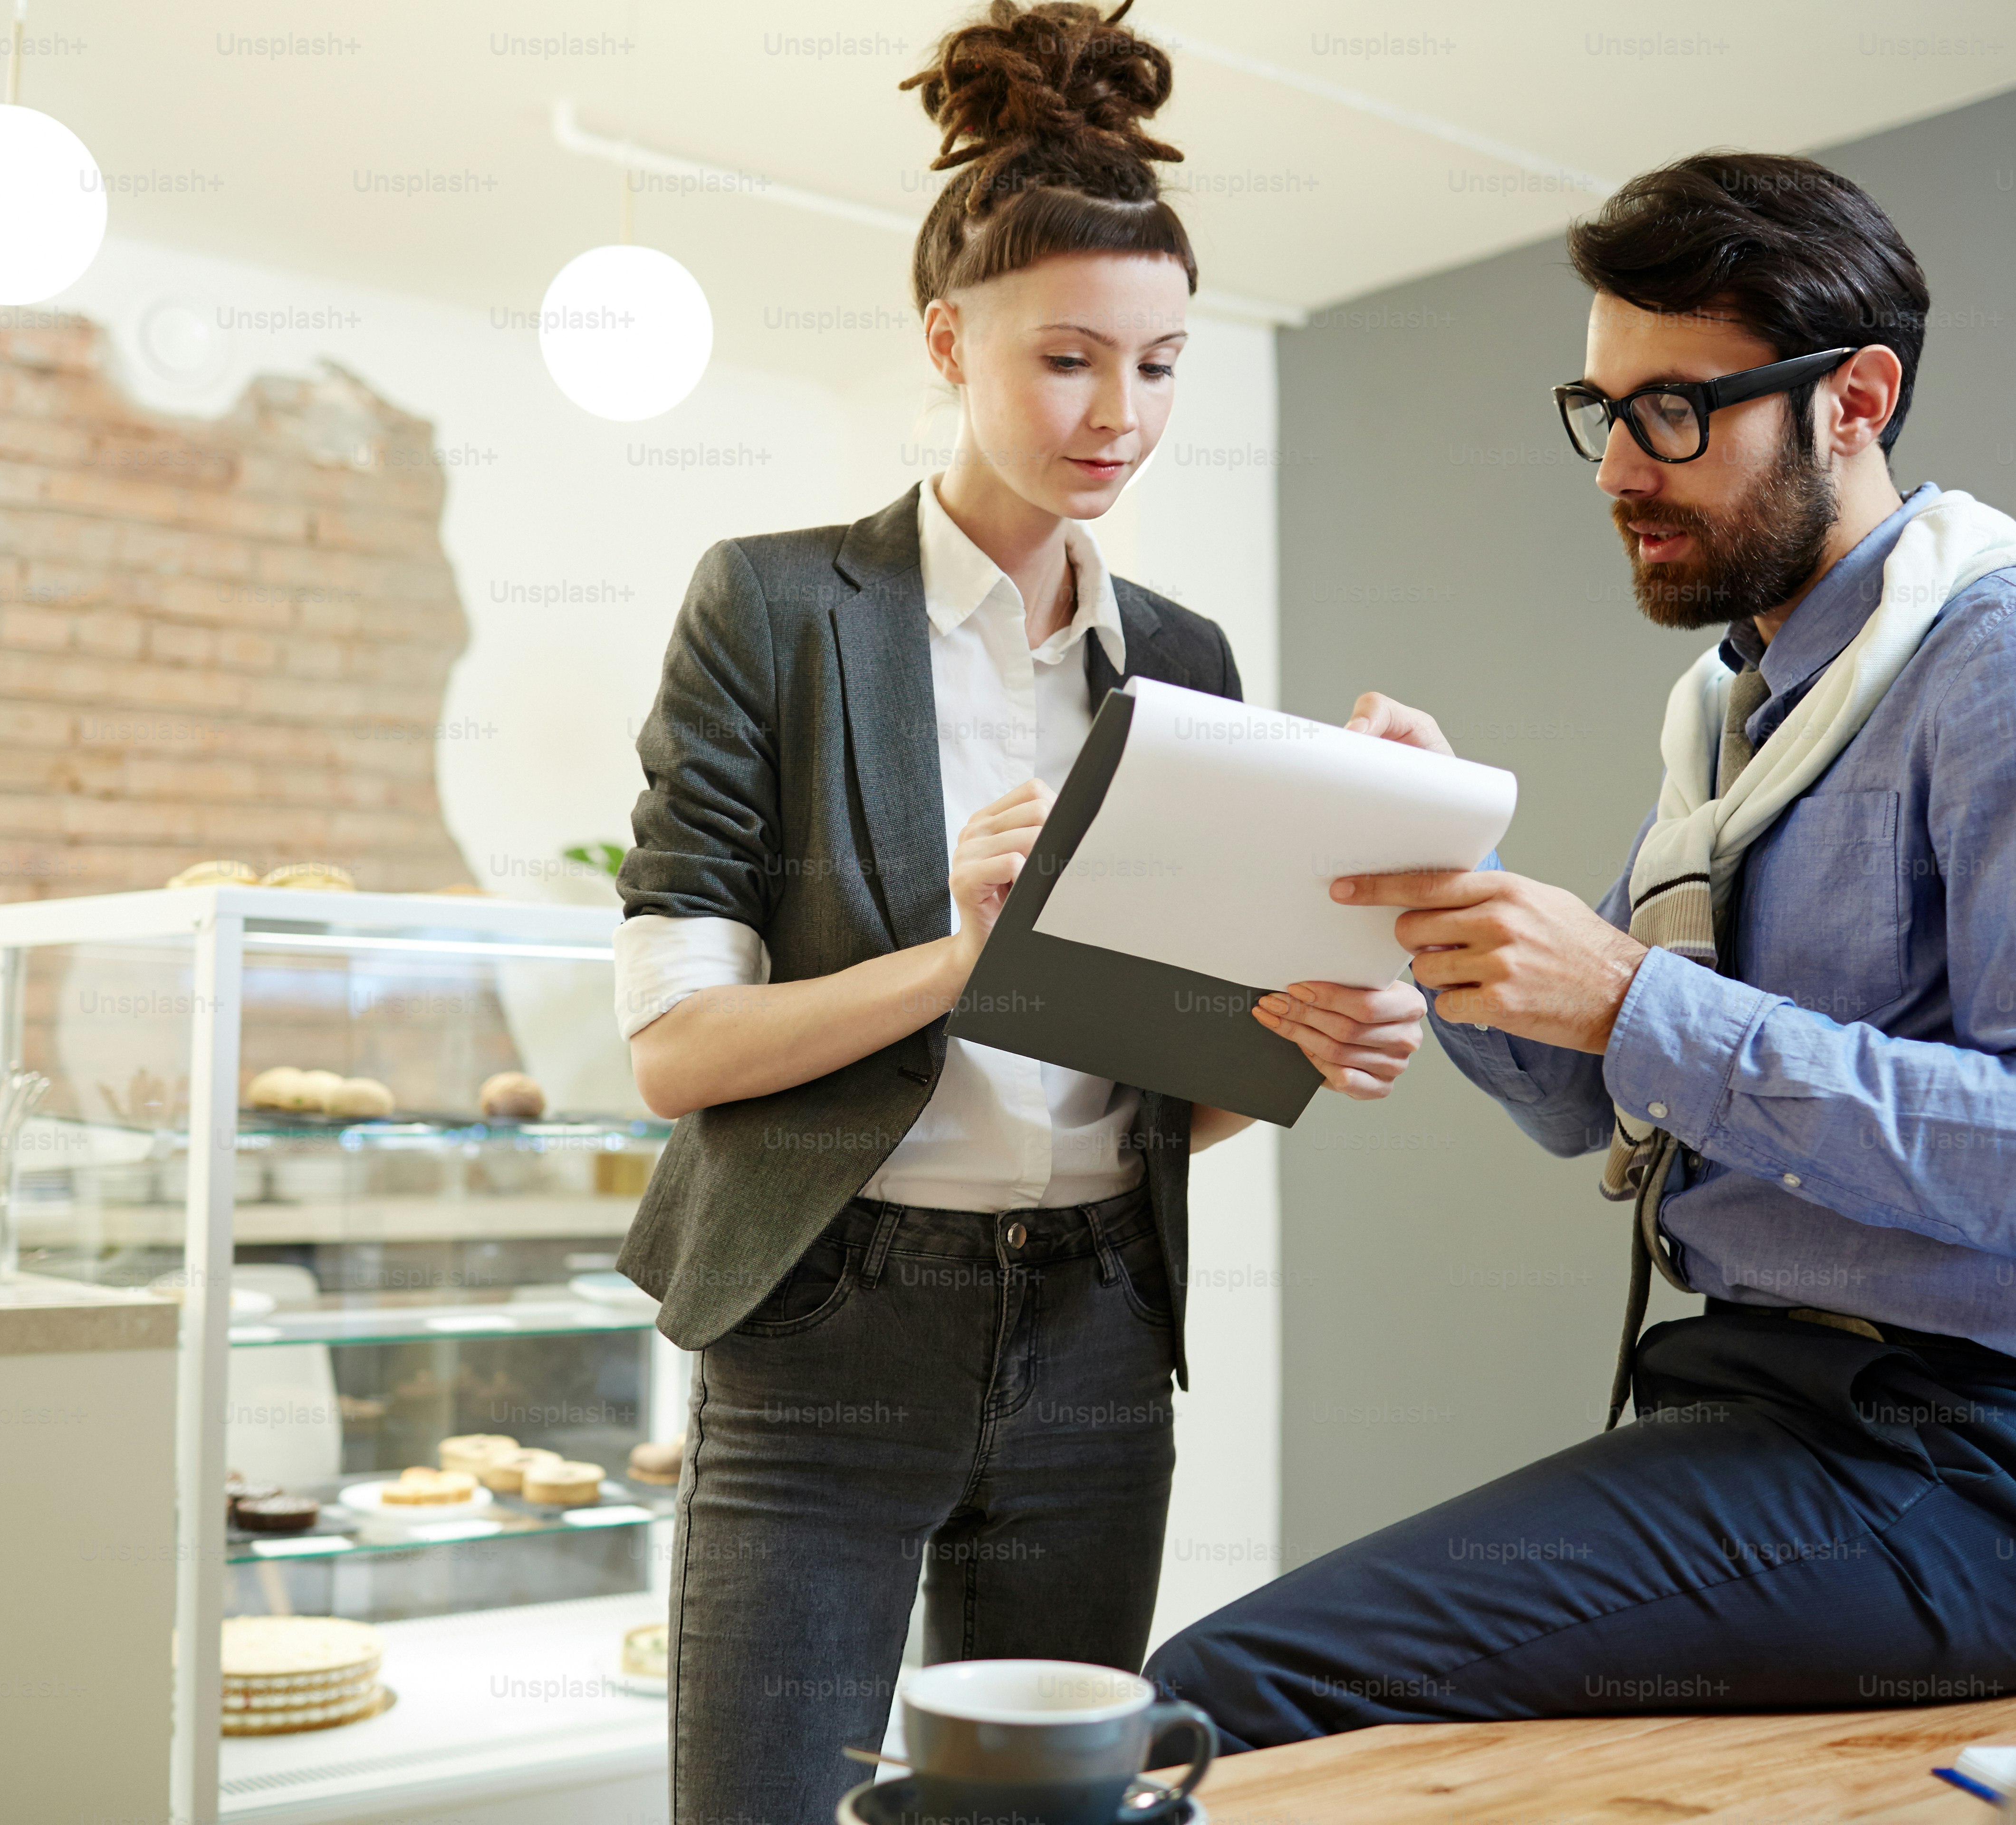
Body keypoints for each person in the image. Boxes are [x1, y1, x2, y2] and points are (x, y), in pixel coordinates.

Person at [1144, 150, 2016, 1744]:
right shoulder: (1746, 714)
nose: (1617, 471)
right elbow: (1588, 1095)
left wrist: (1634, 999)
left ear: (1855, 400)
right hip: (1774, 1411)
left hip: (1985, 1464)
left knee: (1227, 1687)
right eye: (1605, 412)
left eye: (1677, 412)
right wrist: (1427, 875)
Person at [609, 5, 1425, 1817]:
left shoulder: (1187, 664)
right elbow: (676, 1053)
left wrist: (1309, 1033)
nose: (1116, 417)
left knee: (1048, 1819)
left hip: (1095, 1342)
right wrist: (966, 963)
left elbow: (1174, 1094)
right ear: (946, 340)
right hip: (826, 1325)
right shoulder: (774, 610)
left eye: (1158, 366)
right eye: (1068, 360)